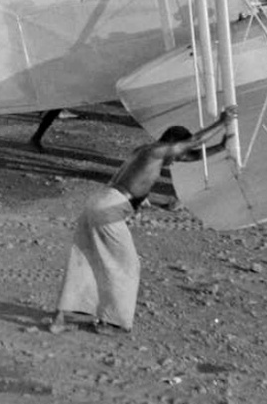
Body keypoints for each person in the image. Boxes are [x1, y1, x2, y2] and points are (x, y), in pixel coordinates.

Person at [49, 107, 236, 335]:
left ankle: (63, 317)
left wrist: (221, 146)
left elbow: (189, 154)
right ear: (171, 143)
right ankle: (114, 322)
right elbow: (191, 144)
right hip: (110, 208)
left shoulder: (146, 152)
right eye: (176, 152)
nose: (176, 160)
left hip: (99, 202)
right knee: (127, 265)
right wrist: (222, 122)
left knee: (87, 259)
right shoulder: (156, 151)